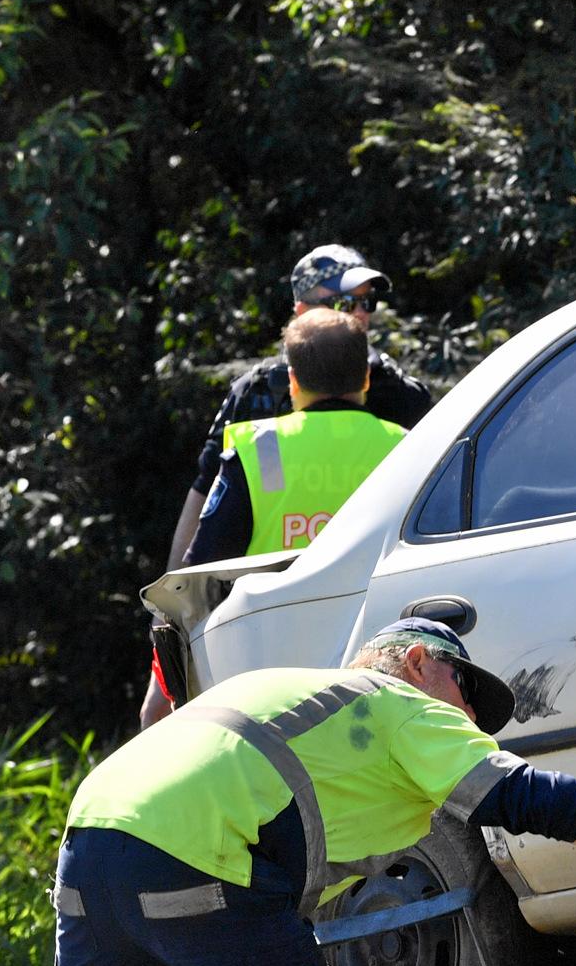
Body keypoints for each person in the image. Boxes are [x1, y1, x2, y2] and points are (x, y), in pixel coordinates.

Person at [58, 617, 576, 966]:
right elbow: (534, 800)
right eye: (466, 689)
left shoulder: (305, 707)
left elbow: (274, 939)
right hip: (201, 858)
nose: (473, 718)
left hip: (91, 842)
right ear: (419, 662)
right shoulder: (398, 703)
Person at [141, 243, 434, 728]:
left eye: (366, 301)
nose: (359, 313)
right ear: (301, 308)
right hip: (273, 623)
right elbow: (205, 498)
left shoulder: (402, 394)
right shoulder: (256, 391)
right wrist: (166, 616)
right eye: (345, 301)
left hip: (368, 622)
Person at [181, 308, 405, 566]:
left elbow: (204, 563)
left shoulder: (263, 448)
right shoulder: (405, 446)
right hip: (379, 606)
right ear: (366, 378)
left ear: (293, 381)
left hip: (271, 607)